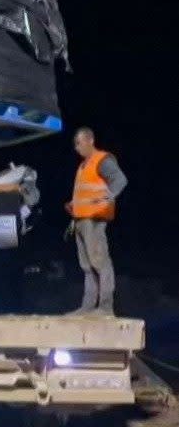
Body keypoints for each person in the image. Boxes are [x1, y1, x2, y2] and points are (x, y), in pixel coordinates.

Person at [65, 127, 127, 314]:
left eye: (79, 142)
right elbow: (87, 192)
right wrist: (74, 206)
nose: (76, 147)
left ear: (90, 140)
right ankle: (88, 306)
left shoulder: (102, 160)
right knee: (86, 265)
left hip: (94, 219)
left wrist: (105, 199)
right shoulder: (84, 166)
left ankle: (106, 306)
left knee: (100, 261)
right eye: (75, 144)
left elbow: (120, 180)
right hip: (81, 220)